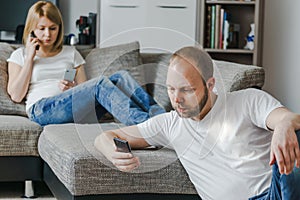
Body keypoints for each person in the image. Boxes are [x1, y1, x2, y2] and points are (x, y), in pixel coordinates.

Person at [94, 46, 300, 200]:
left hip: (276, 191)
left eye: (187, 90)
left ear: (210, 85)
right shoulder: (169, 124)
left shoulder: (247, 100)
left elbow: (290, 118)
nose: (177, 99)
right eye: (171, 89)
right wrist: (111, 152)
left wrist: (283, 126)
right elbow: (106, 137)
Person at [6, 1, 165, 126]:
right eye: (42, 28)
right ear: (32, 29)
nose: (47, 34)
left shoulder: (71, 53)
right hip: (41, 110)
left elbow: (85, 89)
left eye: (53, 28)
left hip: (73, 108)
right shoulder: (19, 55)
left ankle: (164, 119)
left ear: (59, 28)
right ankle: (146, 125)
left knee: (121, 77)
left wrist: (72, 89)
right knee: (100, 83)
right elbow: (16, 95)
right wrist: (29, 59)